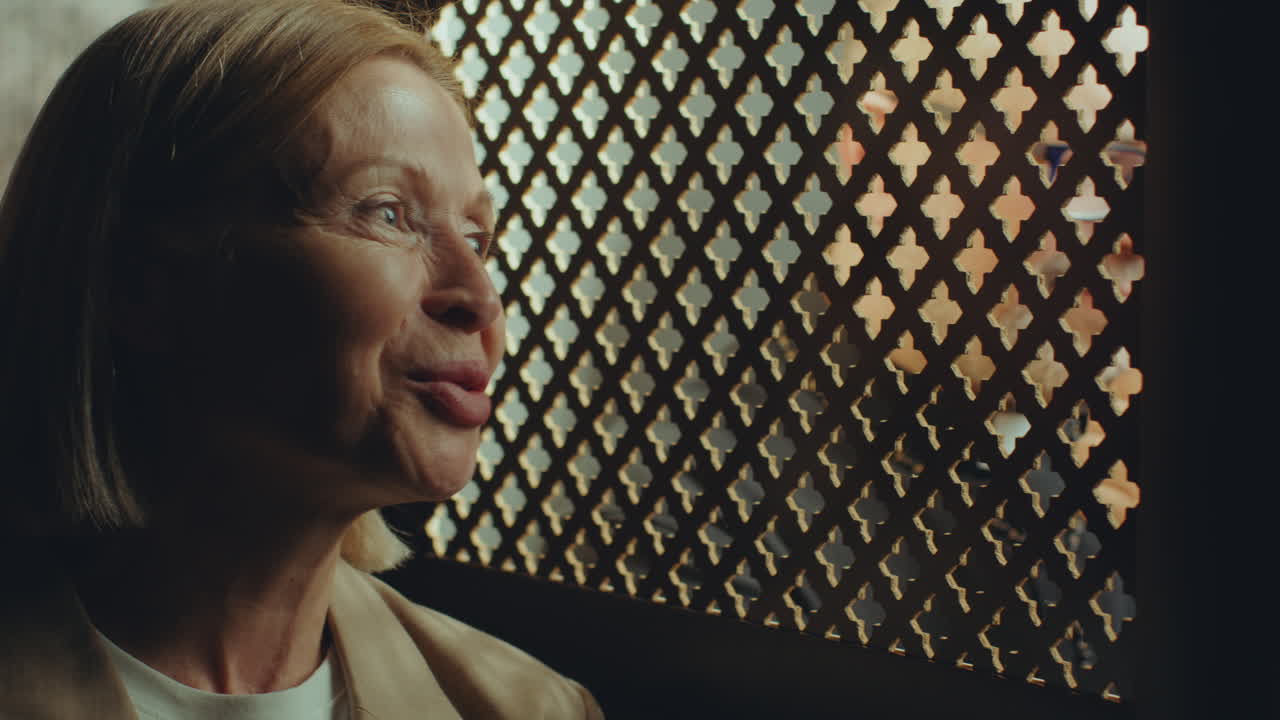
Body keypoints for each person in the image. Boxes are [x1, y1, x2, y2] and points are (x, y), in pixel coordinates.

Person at [0, 0, 603, 717]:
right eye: (387, 212)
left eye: (477, 237)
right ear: (143, 286)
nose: (480, 298)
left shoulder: (532, 709)